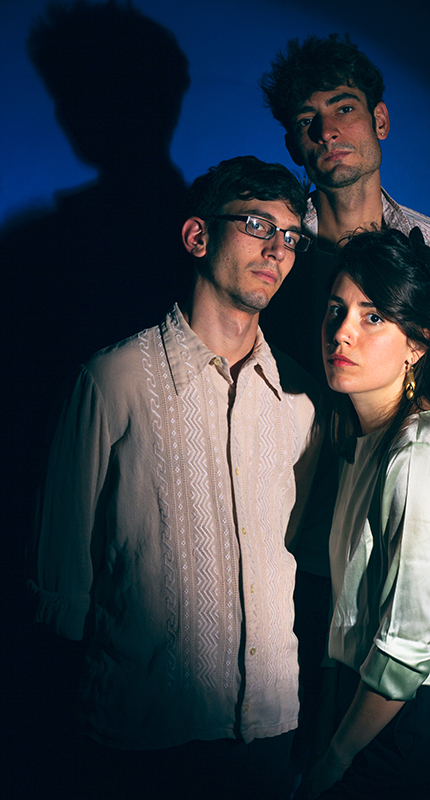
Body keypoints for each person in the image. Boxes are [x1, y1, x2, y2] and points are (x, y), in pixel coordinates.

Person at [28, 156, 321, 800]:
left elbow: (291, 549)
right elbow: (62, 588)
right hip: (143, 741)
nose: (278, 249)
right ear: (197, 237)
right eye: (257, 225)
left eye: (291, 236)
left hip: (270, 734)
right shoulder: (110, 381)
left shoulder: (302, 402)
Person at [302, 226, 430, 800]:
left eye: (372, 317)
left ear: (417, 343)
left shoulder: (421, 451)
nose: (342, 332)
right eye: (336, 310)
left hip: (415, 725)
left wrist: (333, 761)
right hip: (368, 707)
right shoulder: (363, 441)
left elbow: (407, 649)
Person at [259, 33, 430, 441]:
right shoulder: (272, 251)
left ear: (379, 120)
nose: (327, 131)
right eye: (307, 120)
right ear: (293, 147)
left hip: (397, 470)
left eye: (344, 108)